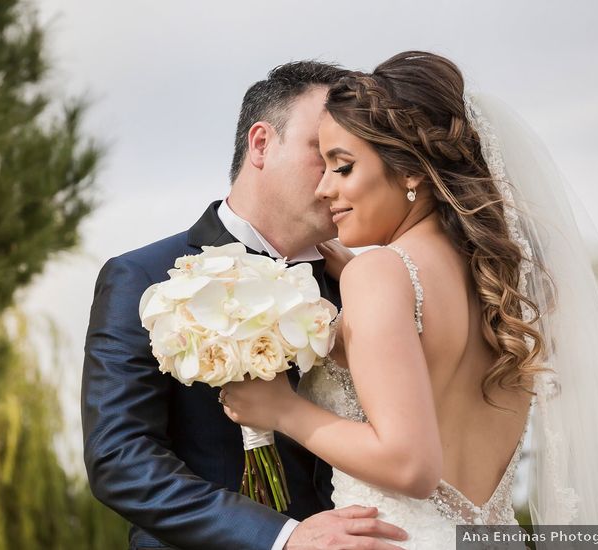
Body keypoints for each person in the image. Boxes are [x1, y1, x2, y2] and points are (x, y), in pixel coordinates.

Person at [222, 51, 598, 548]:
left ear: (411, 171)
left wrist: (281, 410)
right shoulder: (507, 283)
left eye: (342, 167)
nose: (324, 188)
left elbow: (411, 466)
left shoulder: (380, 274)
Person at [81, 61, 408, 550]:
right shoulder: (144, 276)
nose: (341, 178)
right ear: (260, 144)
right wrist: (282, 539)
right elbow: (120, 458)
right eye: (325, 153)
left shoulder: (368, 288)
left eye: (354, 159)